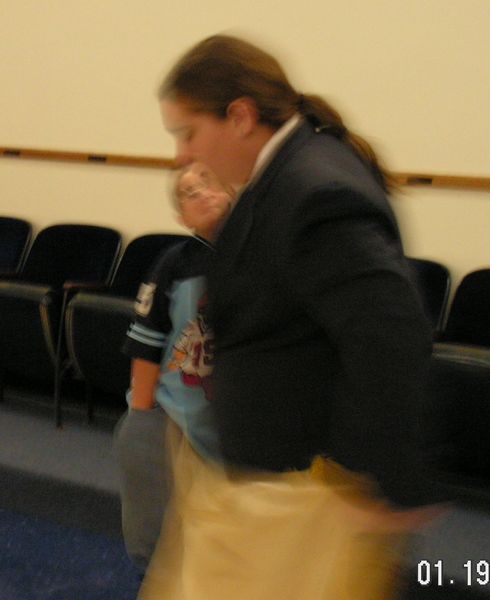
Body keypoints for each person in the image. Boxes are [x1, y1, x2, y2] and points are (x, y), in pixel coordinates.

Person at [139, 34, 449, 599]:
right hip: (258, 487)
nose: (182, 154)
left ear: (240, 116)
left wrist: (389, 480)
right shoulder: (280, 178)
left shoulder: (314, 192)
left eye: (188, 133)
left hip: (302, 501)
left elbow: (389, 336)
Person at [113, 161, 233, 573]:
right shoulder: (174, 265)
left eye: (210, 183)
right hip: (175, 417)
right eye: (189, 193)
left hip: (232, 423)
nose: (202, 193)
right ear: (182, 217)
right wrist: (142, 417)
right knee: (162, 535)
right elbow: (146, 344)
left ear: (233, 193)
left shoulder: (257, 259)